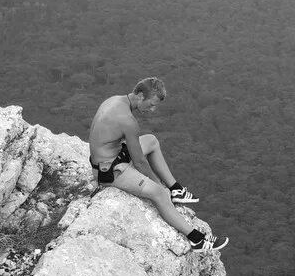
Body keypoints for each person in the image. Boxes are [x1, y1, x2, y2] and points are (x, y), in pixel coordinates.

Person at [88, 77, 228, 252]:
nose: (152, 110)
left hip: (113, 157)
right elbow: (139, 162)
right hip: (108, 172)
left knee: (151, 141)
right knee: (160, 194)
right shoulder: (128, 121)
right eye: (151, 104)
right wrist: (158, 184)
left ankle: (176, 188)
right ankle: (197, 240)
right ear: (140, 95)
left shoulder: (114, 100)